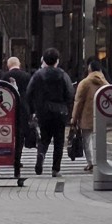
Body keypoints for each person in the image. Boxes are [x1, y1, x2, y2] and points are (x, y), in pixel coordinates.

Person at [25, 47, 74, 177]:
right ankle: (55, 169)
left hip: (43, 111)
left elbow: (29, 93)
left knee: (44, 138)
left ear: (44, 60)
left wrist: (33, 109)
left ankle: (41, 154)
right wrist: (67, 107)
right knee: (59, 140)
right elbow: (70, 93)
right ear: (57, 60)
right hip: (60, 111)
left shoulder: (38, 75)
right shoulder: (63, 75)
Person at [72, 58, 108, 173]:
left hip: (86, 115)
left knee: (87, 140)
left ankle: (91, 162)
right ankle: (100, 160)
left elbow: (78, 102)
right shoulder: (105, 83)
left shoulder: (84, 83)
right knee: (100, 139)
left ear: (89, 69)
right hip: (102, 115)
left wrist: (74, 118)